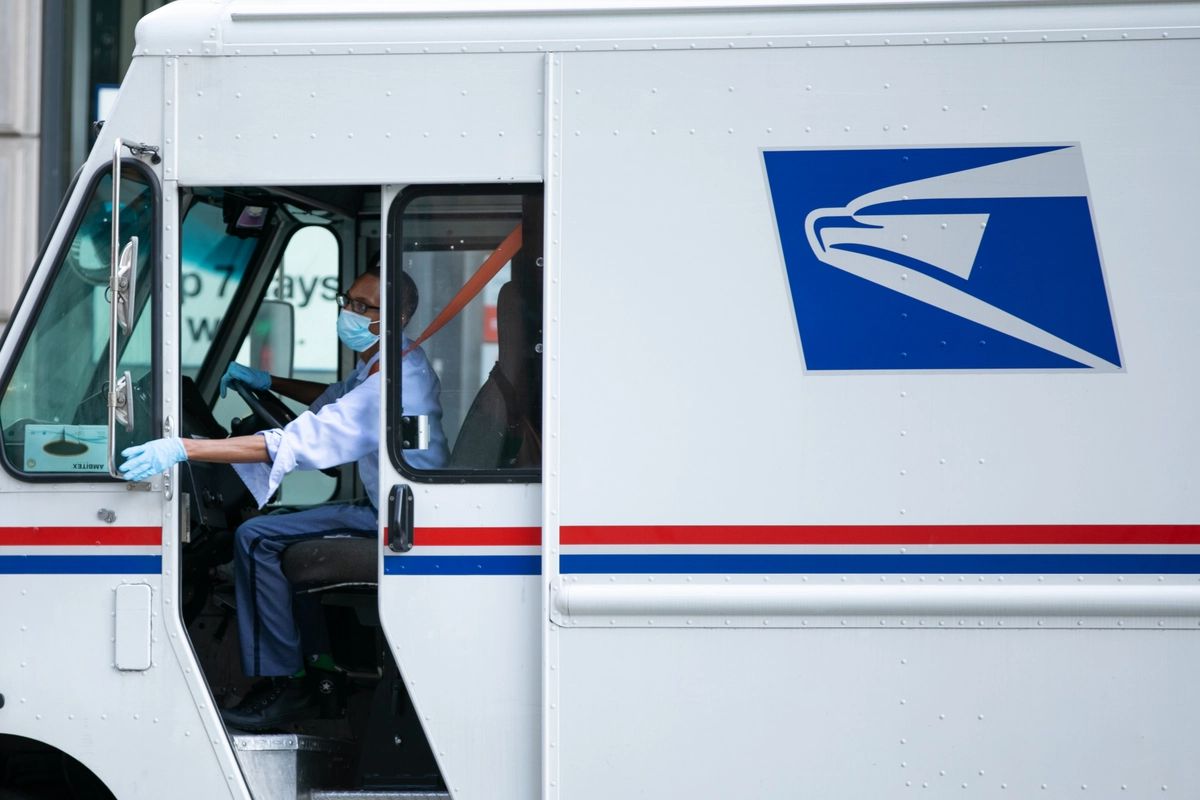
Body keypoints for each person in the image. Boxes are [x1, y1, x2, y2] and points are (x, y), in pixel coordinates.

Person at [119, 265, 449, 729]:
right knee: (279, 528)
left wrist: (182, 448)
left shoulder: (393, 381)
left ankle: (287, 685)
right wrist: (268, 383)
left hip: (400, 522)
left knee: (257, 538)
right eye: (347, 301)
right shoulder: (388, 363)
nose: (349, 313)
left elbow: (294, 442)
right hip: (391, 508)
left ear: (398, 316)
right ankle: (320, 673)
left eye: (363, 307)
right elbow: (333, 397)